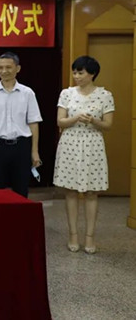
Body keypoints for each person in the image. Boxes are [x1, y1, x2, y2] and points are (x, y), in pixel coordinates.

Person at [53, 56, 114, 254]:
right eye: (74, 72)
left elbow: (108, 125)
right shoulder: (67, 93)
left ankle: (89, 237)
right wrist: (76, 118)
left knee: (91, 193)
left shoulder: (105, 95)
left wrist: (93, 121)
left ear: (92, 74)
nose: (76, 76)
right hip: (70, 143)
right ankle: (73, 235)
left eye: (80, 72)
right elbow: (60, 122)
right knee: (70, 191)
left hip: (93, 144)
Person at [0, 51, 42, 198]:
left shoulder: (27, 93)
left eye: (8, 67)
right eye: (0, 67)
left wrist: (34, 151)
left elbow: (33, 123)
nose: (4, 71)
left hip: (21, 146)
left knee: (21, 189)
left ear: (18, 68)